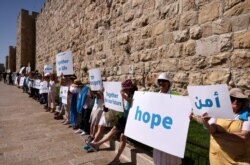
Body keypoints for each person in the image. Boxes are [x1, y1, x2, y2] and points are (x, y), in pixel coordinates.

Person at [86, 79, 137, 165]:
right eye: (124, 89)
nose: (124, 90)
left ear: (130, 89)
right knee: (116, 134)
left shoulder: (134, 95)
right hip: (124, 119)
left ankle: (99, 145)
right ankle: (100, 146)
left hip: (129, 121)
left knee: (121, 137)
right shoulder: (126, 95)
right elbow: (119, 105)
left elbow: (133, 103)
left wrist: (125, 98)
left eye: (126, 89)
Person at [201, 88, 250, 164]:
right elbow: (212, 130)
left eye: (239, 100)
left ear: (243, 102)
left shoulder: (247, 115)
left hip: (237, 159)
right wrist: (205, 122)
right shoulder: (218, 111)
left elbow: (244, 136)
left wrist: (219, 135)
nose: (236, 102)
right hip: (217, 158)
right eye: (232, 99)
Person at [153, 72, 182, 165]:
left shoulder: (176, 95)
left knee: (171, 156)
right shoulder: (154, 96)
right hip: (158, 129)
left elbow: (181, 111)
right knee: (159, 156)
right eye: (159, 81)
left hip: (170, 130)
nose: (161, 83)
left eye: (164, 81)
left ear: (168, 83)